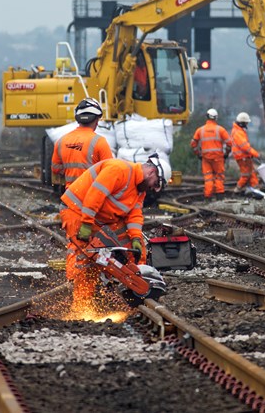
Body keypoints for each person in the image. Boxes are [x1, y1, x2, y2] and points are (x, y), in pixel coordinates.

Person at [59, 155, 171, 314]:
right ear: (152, 172)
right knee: (88, 255)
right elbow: (94, 195)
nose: (153, 188)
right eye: (156, 184)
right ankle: (81, 307)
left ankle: (133, 287)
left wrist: (136, 238)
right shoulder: (119, 170)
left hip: (100, 217)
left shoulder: (140, 190)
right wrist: (86, 224)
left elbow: (134, 215)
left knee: (134, 251)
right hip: (77, 211)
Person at [51, 98, 113, 190]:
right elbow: (110, 172)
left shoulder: (61, 141)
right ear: (96, 120)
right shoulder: (100, 142)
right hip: (91, 195)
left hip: (70, 195)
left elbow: (55, 169)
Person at [190, 108, 232, 200]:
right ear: (216, 118)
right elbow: (229, 143)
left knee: (208, 178)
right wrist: (226, 153)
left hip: (206, 158)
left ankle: (208, 197)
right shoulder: (220, 130)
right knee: (219, 176)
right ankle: (220, 196)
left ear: (207, 117)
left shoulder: (200, 130)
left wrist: (198, 153)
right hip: (218, 158)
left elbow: (193, 143)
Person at [230, 112, 260, 193]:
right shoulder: (238, 132)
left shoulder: (238, 130)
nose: (247, 124)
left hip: (243, 156)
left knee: (252, 172)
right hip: (242, 157)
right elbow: (245, 147)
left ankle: (256, 189)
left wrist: (252, 154)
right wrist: (256, 154)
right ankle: (237, 189)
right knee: (246, 175)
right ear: (242, 123)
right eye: (246, 122)